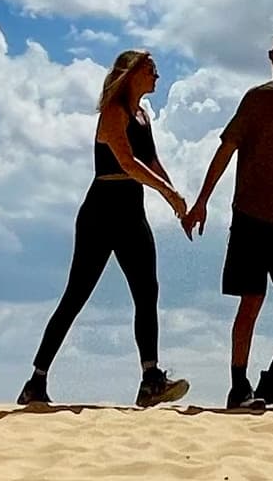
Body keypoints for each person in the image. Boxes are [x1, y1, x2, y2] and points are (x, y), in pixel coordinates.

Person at [20, 50, 196, 409]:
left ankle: (151, 379)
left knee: (147, 290)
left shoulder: (143, 115)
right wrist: (167, 192)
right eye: (151, 71)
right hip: (102, 211)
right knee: (76, 296)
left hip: (131, 209)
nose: (157, 77)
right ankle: (36, 381)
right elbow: (126, 161)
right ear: (131, 74)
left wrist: (175, 199)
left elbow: (150, 161)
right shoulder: (113, 113)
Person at [187, 27, 273, 411]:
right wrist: (202, 202)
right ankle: (238, 386)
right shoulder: (256, 100)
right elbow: (227, 148)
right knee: (252, 300)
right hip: (251, 215)